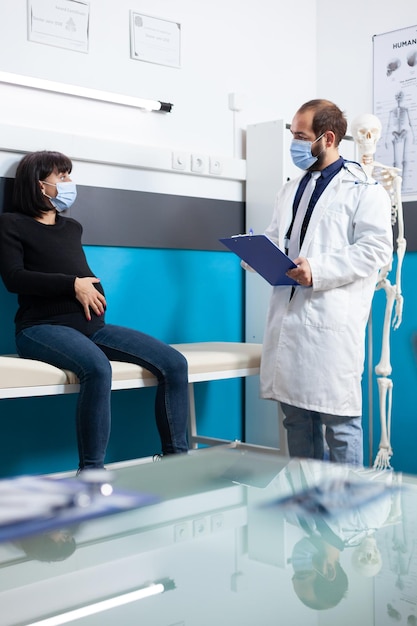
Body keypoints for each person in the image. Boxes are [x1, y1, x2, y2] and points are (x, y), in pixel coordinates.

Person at [0, 151, 189, 473]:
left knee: (174, 363)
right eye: (62, 176)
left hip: (92, 325)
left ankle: (177, 461)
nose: (69, 183)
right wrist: (73, 284)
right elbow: (14, 278)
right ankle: (91, 471)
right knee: (98, 370)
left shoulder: (71, 227)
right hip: (41, 327)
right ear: (39, 184)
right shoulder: (11, 224)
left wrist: (86, 289)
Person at [258, 99, 393, 465]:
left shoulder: (364, 189)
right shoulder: (291, 189)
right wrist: (256, 254)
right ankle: (308, 516)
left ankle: (347, 520)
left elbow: (376, 250)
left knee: (340, 427)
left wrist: (317, 270)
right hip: (292, 324)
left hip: (330, 326)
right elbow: (277, 239)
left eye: (301, 136)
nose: (295, 143)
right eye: (293, 134)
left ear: (327, 137)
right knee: (297, 422)